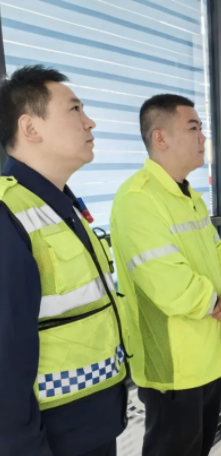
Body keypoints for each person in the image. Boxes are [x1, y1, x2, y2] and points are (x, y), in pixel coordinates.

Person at [0, 66, 128, 456]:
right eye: (74, 110)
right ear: (30, 127)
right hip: (52, 438)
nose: (90, 122)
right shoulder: (8, 214)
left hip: (94, 422)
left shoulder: (61, 206)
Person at [110, 94, 221, 456]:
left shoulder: (189, 197)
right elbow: (172, 286)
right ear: (161, 138)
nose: (203, 138)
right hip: (174, 369)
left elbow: (220, 251)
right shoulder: (138, 198)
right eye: (193, 128)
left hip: (209, 356)